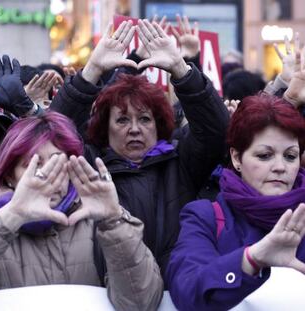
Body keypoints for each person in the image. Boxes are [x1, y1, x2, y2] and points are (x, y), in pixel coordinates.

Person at [0, 112, 164, 311]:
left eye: (58, 162)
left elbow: (142, 303)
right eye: (33, 164)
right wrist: (10, 218)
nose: (48, 175)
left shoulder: (98, 226)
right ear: (10, 176)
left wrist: (113, 222)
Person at [50, 19, 229, 284]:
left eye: (145, 119)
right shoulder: (87, 163)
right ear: (105, 127)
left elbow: (217, 129)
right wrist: (93, 70)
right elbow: (52, 134)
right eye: (122, 120)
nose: (134, 129)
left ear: (159, 125)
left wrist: (181, 69)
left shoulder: (181, 161)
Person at [166, 93, 305, 311]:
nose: (280, 167)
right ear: (237, 158)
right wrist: (251, 259)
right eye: (264, 155)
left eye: (290, 156)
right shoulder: (205, 216)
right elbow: (187, 290)